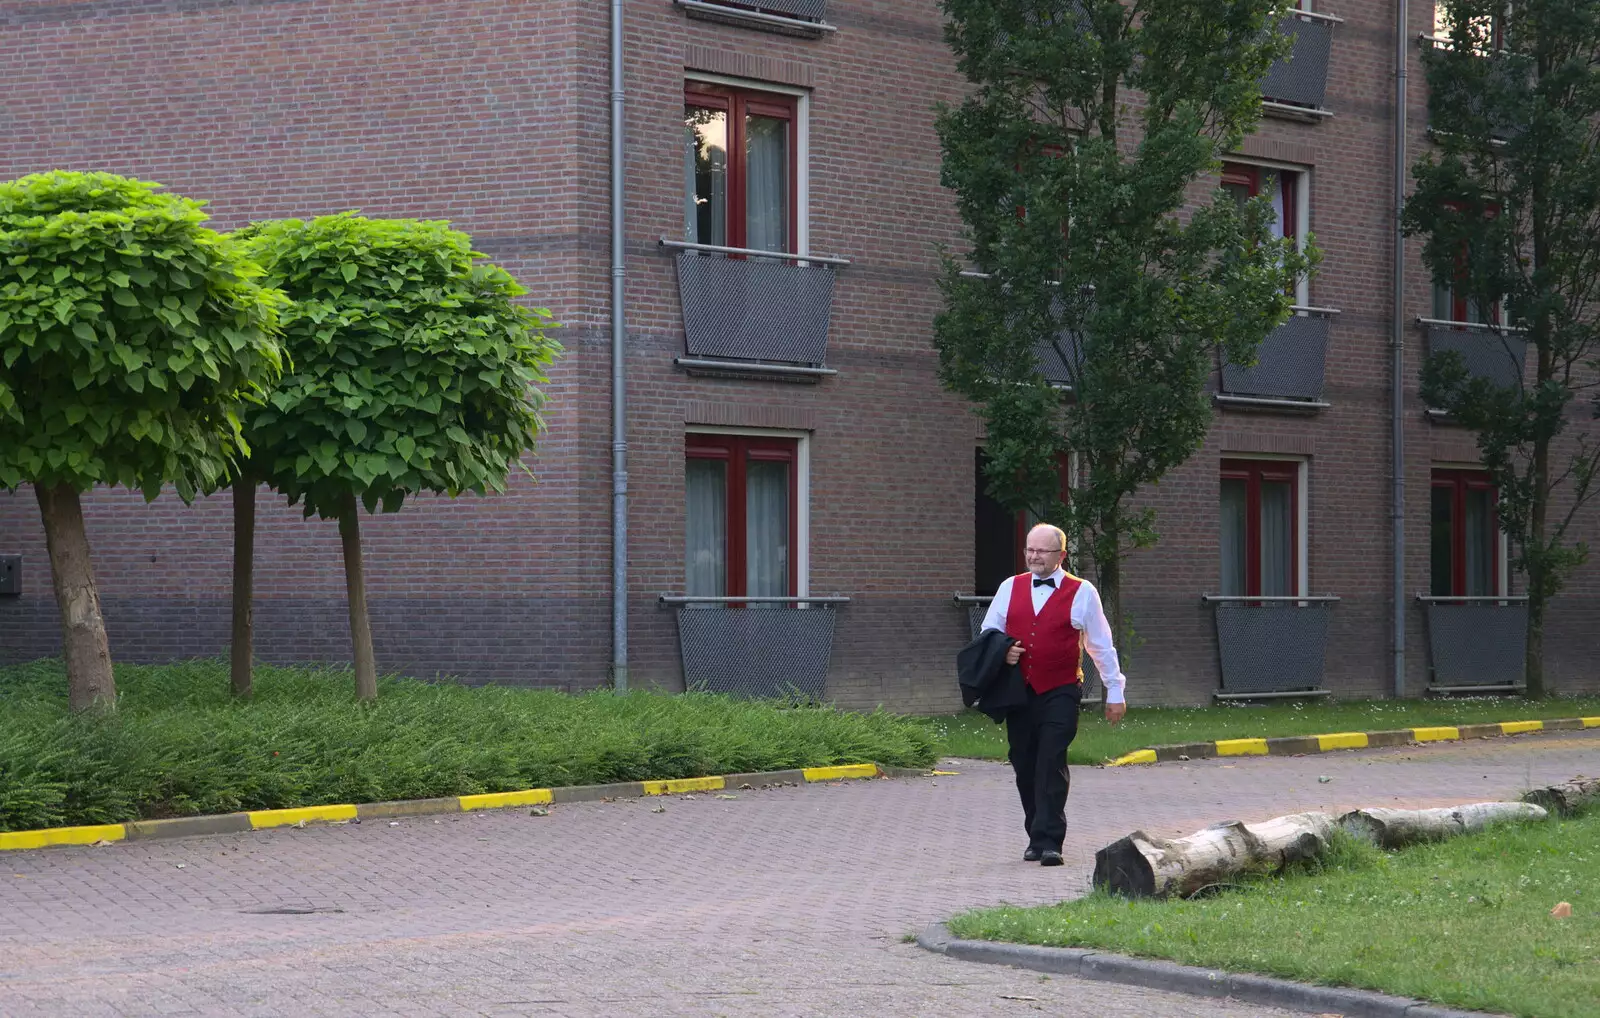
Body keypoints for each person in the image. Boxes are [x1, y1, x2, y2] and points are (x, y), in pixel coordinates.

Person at [980, 523, 1126, 866]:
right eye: (1029, 549)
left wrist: (1114, 691)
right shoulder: (1009, 587)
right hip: (1020, 692)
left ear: (1061, 555)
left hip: (1060, 690)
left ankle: (1050, 841)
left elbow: (1101, 645)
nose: (1034, 556)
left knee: (1051, 760)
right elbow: (988, 632)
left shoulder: (1082, 591)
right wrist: (1003, 652)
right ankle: (1035, 833)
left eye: (1041, 551)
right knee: (1024, 762)